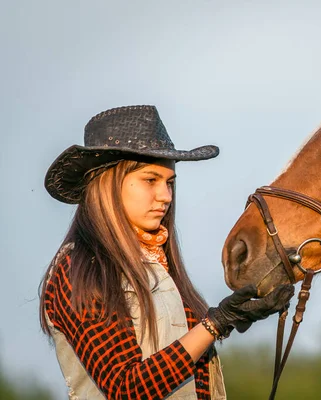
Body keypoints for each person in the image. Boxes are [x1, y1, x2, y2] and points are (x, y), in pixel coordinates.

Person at [39, 105, 294, 400]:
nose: (166, 196)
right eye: (150, 180)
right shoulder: (78, 267)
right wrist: (215, 323)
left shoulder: (157, 264)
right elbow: (126, 388)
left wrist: (231, 319)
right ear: (107, 183)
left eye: (169, 183)